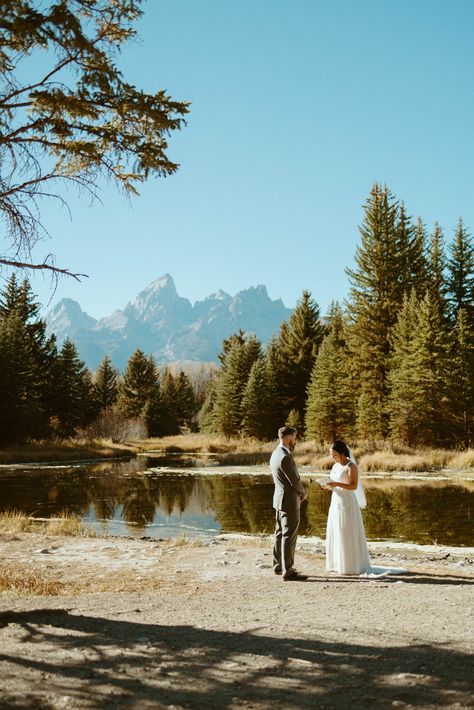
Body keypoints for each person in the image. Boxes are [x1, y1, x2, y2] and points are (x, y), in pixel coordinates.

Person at [324, 439, 371, 575]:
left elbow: (353, 486)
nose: (333, 457)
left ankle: (350, 565)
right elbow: (333, 482)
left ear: (342, 453)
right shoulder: (335, 466)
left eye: (335, 454)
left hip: (348, 504)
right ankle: (337, 563)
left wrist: (336, 484)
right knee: (337, 530)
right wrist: (328, 485)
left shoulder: (351, 467)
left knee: (347, 531)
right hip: (336, 502)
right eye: (332, 455)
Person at [270, 426, 308, 581]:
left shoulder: (275, 453)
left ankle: (278, 565)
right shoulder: (285, 456)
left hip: (279, 499)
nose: (295, 441)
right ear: (287, 438)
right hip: (289, 500)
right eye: (294, 438)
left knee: (280, 533)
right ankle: (288, 570)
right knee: (289, 534)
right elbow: (294, 480)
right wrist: (303, 492)